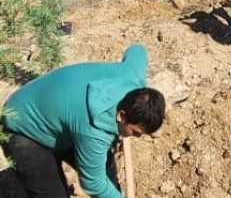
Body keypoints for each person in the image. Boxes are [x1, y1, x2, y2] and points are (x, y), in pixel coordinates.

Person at [1, 44, 165, 198]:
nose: (136, 137)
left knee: (107, 173)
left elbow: (137, 49)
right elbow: (93, 184)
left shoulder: (132, 77)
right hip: (22, 128)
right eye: (135, 132)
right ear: (121, 116)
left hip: (59, 116)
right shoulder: (93, 132)